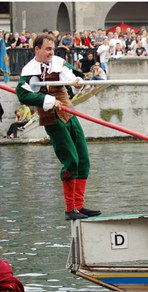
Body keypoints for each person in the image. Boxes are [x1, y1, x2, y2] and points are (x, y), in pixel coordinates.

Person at [16, 34, 101, 221]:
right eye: (47, 49)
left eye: (52, 49)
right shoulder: (29, 70)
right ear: (36, 49)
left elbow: (71, 78)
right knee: (70, 159)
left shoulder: (58, 62)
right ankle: (70, 209)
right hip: (52, 117)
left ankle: (79, 205)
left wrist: (76, 84)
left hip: (68, 111)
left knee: (83, 159)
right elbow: (22, 94)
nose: (51, 52)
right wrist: (46, 100)